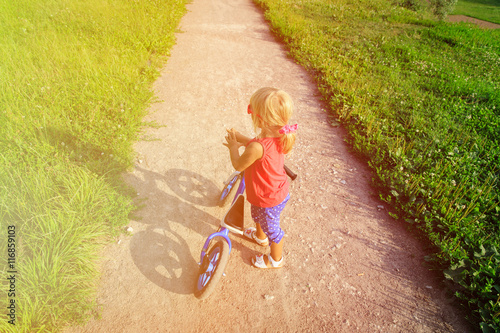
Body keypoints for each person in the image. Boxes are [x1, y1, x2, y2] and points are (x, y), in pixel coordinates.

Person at [223, 87, 297, 269]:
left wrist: (233, 146)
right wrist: (240, 137)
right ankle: (259, 237)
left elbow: (239, 165)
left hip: (268, 198)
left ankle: (275, 260)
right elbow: (259, 147)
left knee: (274, 230)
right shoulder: (279, 135)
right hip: (273, 191)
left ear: (259, 119)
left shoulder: (257, 146)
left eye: (250, 110)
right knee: (257, 215)